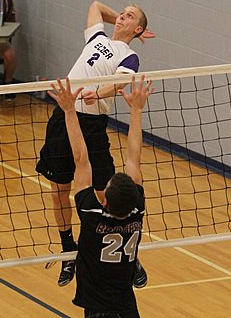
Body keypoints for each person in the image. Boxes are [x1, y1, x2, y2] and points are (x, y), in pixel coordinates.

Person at [36, 1, 154, 287]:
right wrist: (124, 20)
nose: (122, 17)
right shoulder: (97, 37)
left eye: (130, 16)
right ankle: (69, 250)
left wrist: (96, 92)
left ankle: (128, 251)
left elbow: (120, 84)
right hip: (64, 115)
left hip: (92, 122)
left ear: (138, 28)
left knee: (106, 194)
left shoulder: (130, 56)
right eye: (122, 13)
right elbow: (95, 6)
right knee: (58, 191)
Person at [48, 75, 153, 318]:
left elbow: (80, 159)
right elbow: (133, 159)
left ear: (104, 201)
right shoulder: (136, 213)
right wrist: (136, 111)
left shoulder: (92, 215)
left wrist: (69, 111)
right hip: (127, 307)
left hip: (98, 311)